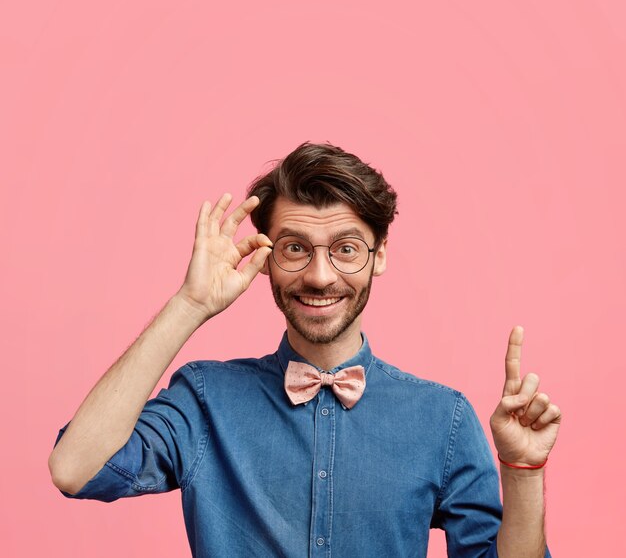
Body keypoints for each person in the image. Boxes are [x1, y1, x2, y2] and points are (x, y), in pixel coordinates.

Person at [49, 142, 560, 557]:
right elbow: (74, 469)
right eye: (295, 248)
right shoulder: (204, 399)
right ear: (266, 257)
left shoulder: (443, 419)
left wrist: (523, 472)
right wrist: (190, 304)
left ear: (379, 256)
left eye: (346, 249)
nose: (319, 276)